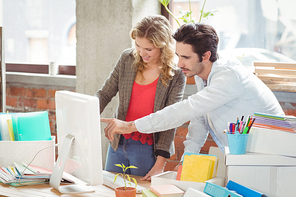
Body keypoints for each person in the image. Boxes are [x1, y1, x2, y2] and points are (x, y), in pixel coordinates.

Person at [101, 22, 284, 166]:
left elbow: (187, 109)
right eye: (178, 56)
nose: (179, 64)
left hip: (274, 156)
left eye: (185, 58)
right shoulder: (202, 73)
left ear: (205, 56)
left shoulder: (228, 77)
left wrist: (131, 126)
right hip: (248, 156)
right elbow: (199, 119)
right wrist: (186, 161)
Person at [96, 15, 186, 180]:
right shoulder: (127, 59)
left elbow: (170, 121)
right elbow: (105, 93)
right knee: (110, 190)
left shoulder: (176, 75)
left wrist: (160, 165)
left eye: (149, 49)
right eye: (138, 45)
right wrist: (86, 112)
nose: (141, 53)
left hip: (148, 149)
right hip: (118, 143)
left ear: (163, 46)